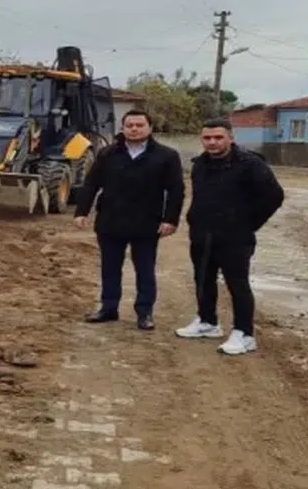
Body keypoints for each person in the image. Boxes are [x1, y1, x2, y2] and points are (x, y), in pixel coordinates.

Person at [175, 119, 284, 356]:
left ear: (230, 138)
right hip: (203, 234)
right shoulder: (200, 164)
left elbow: (274, 196)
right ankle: (207, 322)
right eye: (207, 138)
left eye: (218, 137)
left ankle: (244, 334)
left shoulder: (250, 164)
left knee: (238, 284)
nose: (212, 142)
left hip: (236, 237)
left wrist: (249, 223)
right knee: (203, 279)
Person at [74, 110, 184, 330]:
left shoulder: (166, 156)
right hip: (110, 220)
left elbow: (176, 190)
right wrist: (81, 211)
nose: (134, 129)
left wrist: (170, 220)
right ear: (122, 128)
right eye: (130, 125)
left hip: (146, 222)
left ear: (150, 128)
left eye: (139, 125)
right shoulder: (107, 154)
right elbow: (91, 184)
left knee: (145, 268)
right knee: (110, 267)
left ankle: (144, 313)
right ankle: (108, 308)